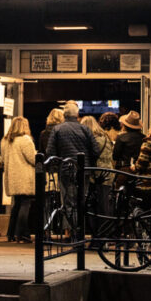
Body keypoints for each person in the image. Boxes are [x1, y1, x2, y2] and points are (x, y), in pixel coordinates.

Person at [45, 101, 100, 237]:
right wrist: (89, 164)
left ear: (64, 114)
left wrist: (58, 165)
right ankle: (80, 232)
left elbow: (50, 151)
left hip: (66, 171)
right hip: (84, 171)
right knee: (82, 200)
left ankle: (73, 233)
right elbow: (96, 150)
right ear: (77, 114)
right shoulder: (85, 129)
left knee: (69, 203)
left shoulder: (57, 129)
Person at [0, 116, 36, 242]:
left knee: (17, 204)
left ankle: (11, 234)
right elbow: (33, 158)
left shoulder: (5, 141)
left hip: (12, 177)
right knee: (25, 204)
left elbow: (3, 160)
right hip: (24, 177)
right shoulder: (25, 140)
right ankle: (22, 234)